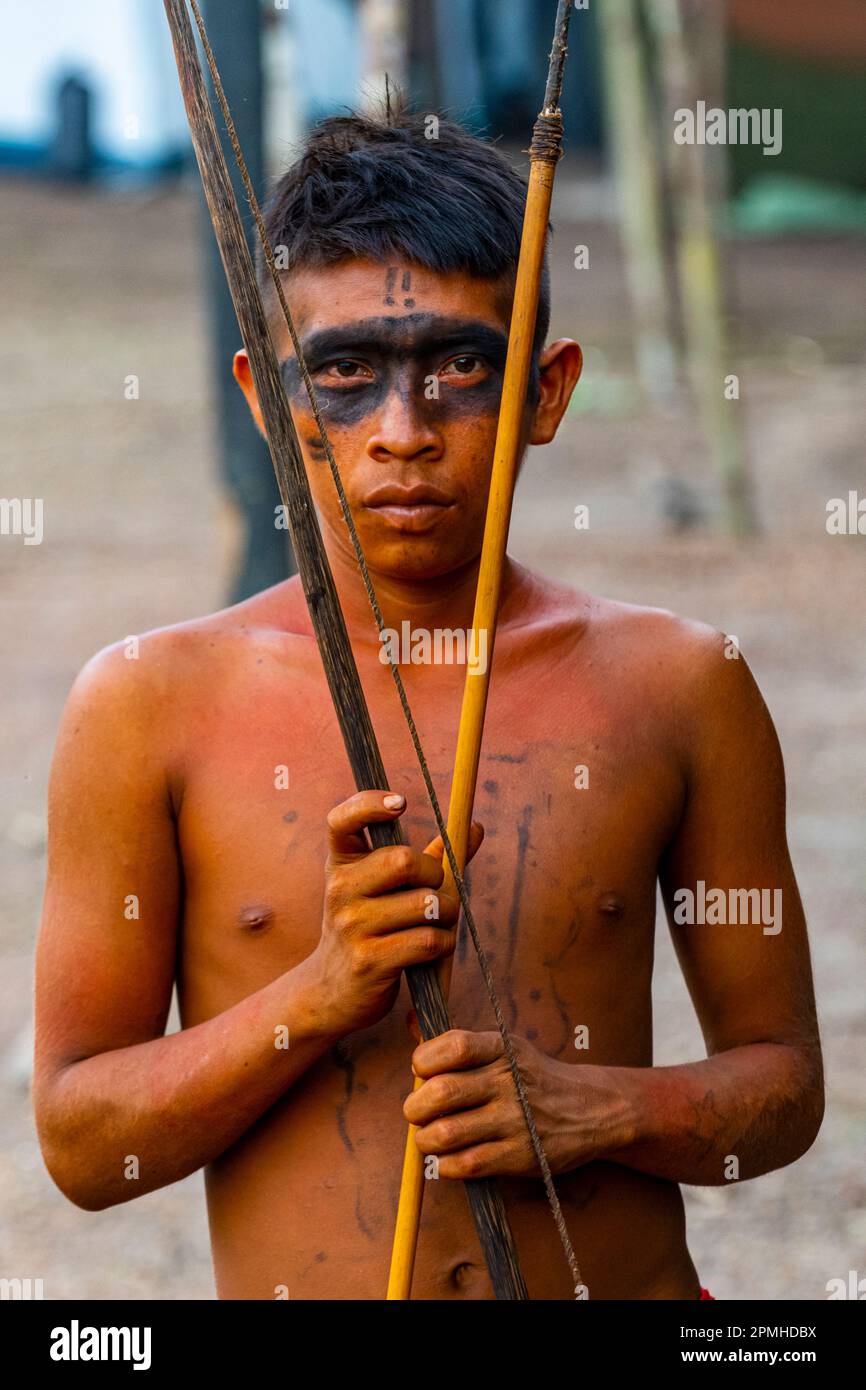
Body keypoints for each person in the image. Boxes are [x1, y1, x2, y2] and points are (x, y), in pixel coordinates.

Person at [33, 112, 823, 1300]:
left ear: (546, 391)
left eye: (459, 369)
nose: (402, 435)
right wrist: (316, 993)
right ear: (265, 397)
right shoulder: (148, 704)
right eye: (345, 374)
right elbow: (84, 1148)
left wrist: (598, 1109)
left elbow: (782, 1091)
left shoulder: (678, 683)